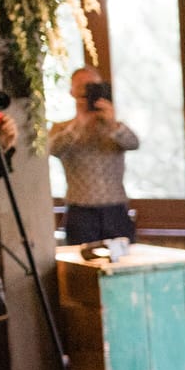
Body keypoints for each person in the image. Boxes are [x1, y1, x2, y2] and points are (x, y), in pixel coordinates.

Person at [49, 66, 140, 245]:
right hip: (81, 212)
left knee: (120, 265)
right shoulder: (63, 128)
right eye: (82, 87)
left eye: (92, 86)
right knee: (82, 268)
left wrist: (112, 123)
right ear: (72, 92)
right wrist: (79, 123)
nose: (86, 91)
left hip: (115, 210)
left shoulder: (114, 126)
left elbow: (134, 143)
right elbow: (53, 149)